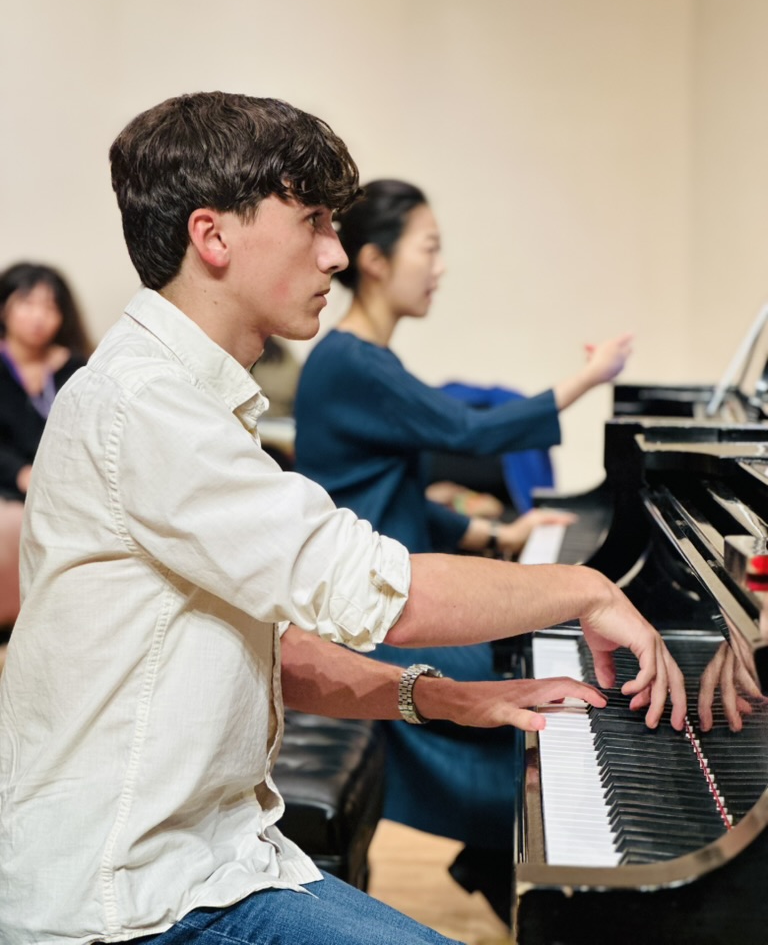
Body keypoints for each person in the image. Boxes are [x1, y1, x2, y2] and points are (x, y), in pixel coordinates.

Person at [0, 91, 685, 945]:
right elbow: (383, 591)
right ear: (213, 237)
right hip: (135, 901)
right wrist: (582, 589)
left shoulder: (176, 395)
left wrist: (444, 698)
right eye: (315, 221)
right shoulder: (146, 407)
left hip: (220, 857)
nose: (337, 252)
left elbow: (267, 650)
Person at [292, 178, 633, 917]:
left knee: (535, 674)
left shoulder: (360, 357)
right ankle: (538, 872)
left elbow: (395, 491)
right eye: (430, 247)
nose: (440, 266)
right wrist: (588, 376)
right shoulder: (352, 361)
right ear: (377, 260)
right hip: (370, 618)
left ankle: (510, 869)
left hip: (389, 593)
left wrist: (490, 534)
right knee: (537, 690)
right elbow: (469, 434)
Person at [0, 261, 92, 636]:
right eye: (27, 303)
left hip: (66, 485)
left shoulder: (76, 367)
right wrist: (20, 473)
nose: (39, 316)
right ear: (5, 307)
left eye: (50, 306)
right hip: (10, 486)